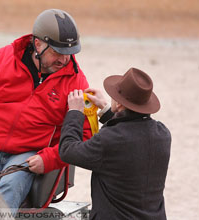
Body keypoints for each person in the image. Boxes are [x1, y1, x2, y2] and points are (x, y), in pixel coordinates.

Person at [0, 9, 94, 211]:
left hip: (30, 151)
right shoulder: (4, 58)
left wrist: (47, 159)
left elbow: (85, 136)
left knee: (9, 189)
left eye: (69, 53)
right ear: (38, 44)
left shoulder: (77, 82)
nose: (64, 60)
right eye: (57, 52)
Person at [59, 67, 171, 220]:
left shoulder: (110, 140)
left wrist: (75, 113)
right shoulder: (163, 134)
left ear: (119, 104)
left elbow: (67, 151)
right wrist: (106, 109)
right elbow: (130, 133)